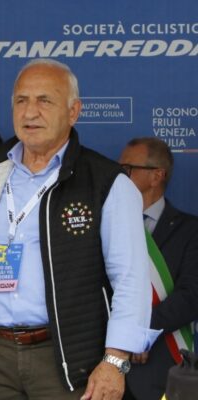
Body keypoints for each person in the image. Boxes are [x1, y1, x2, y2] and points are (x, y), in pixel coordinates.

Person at [0, 58, 160, 400]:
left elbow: (130, 279)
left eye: (45, 100)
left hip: (68, 357)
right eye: (22, 100)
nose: (30, 112)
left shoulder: (106, 182)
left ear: (73, 112)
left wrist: (116, 361)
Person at [119, 137, 198, 400]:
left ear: (156, 176)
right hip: (106, 367)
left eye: (127, 168)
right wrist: (123, 338)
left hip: (161, 366)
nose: (119, 175)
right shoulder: (105, 226)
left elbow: (191, 295)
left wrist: (140, 332)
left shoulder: (191, 230)